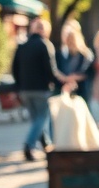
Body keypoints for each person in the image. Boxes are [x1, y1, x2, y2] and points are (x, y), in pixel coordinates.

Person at [12, 17, 71, 161]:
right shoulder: (45, 45)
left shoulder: (22, 45)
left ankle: (47, 146)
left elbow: (14, 68)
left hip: (25, 89)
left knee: (36, 120)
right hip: (41, 89)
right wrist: (60, 83)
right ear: (44, 30)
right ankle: (29, 145)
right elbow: (51, 70)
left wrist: (20, 85)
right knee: (41, 118)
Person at [55, 19, 94, 104]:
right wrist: (64, 78)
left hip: (81, 90)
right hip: (64, 89)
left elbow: (88, 71)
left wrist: (73, 77)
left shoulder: (85, 54)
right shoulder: (61, 52)